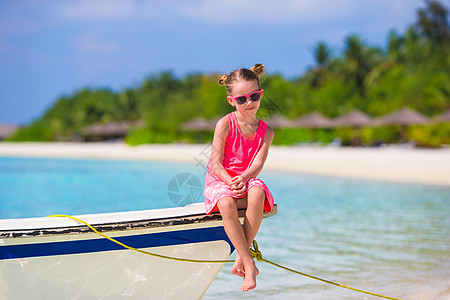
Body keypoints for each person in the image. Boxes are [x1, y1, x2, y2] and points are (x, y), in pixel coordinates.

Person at [203, 63, 275, 291]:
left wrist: (244, 178)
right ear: (231, 101)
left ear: (260, 94)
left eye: (254, 96)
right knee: (225, 203)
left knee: (258, 191)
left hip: (246, 177)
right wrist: (230, 182)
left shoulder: (267, 131)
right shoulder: (224, 124)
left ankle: (240, 258)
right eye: (242, 99)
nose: (249, 103)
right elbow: (215, 163)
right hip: (220, 179)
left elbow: (258, 164)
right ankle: (249, 263)